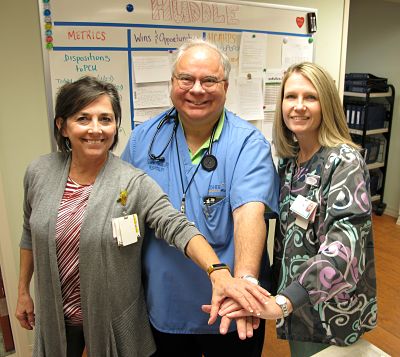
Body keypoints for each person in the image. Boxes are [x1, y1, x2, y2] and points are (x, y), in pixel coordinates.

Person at [15, 76, 272, 357]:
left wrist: (218, 271)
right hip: (55, 314)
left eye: (106, 119)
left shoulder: (131, 181)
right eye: (83, 118)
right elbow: (30, 232)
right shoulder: (39, 173)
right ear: (62, 125)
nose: (96, 129)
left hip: (110, 318)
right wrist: (23, 290)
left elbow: (177, 226)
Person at [121, 39, 279, 356]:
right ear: (172, 83)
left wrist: (245, 282)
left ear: (225, 86)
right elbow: (124, 209)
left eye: (209, 80)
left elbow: (249, 212)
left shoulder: (248, 142)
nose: (197, 89)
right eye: (186, 79)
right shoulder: (144, 139)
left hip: (232, 308)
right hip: (166, 304)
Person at [217, 62, 377, 357]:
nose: (298, 106)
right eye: (290, 97)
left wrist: (284, 302)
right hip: (297, 307)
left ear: (326, 104)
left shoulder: (344, 162)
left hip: (331, 311)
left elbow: (345, 249)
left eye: (310, 97)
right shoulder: (289, 164)